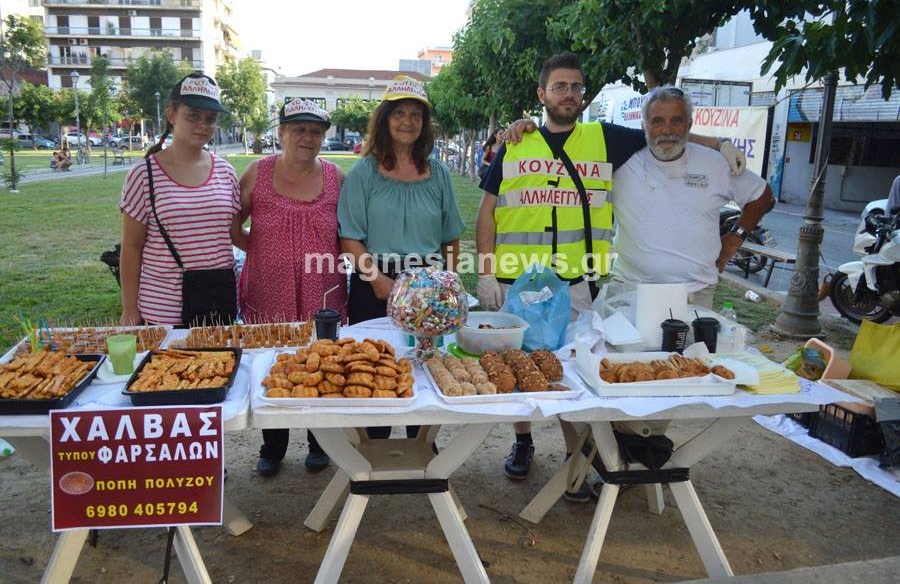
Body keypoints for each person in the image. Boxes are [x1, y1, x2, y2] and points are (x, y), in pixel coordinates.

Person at [475, 53, 747, 494]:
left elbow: (665, 129)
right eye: (559, 86)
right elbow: (487, 212)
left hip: (576, 283)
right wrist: (486, 274)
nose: (569, 94)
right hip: (515, 280)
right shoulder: (516, 142)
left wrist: (719, 146)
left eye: (576, 87)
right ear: (541, 94)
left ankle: (573, 457)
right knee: (514, 365)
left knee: (573, 371)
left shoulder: (604, 139)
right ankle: (522, 441)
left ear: (584, 96)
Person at [338, 75, 465, 439]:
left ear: (424, 124)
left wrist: (450, 285)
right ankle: (372, 451)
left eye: (416, 114)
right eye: (399, 114)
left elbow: (451, 236)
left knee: (426, 373)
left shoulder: (438, 173)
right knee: (373, 369)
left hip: (428, 288)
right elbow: (350, 236)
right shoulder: (364, 173)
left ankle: (421, 448)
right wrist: (381, 284)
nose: (407, 121)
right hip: (375, 283)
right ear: (384, 119)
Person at [235, 98, 346, 477]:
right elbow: (234, 224)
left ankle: (320, 442)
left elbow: (350, 231)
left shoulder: (336, 177)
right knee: (272, 364)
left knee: (323, 361)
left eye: (315, 131)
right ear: (281, 132)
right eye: (298, 129)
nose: (307, 137)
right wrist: (263, 251)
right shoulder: (257, 173)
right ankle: (273, 445)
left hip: (324, 291)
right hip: (269, 290)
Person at [610, 86, 773, 309]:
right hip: (629, 290)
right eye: (657, 121)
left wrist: (736, 236)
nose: (666, 130)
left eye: (676, 121)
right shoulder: (621, 161)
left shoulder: (715, 163)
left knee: (692, 346)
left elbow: (762, 195)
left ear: (689, 124)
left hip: (694, 294)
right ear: (643, 126)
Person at [119, 72, 241, 327]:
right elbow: (131, 248)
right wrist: (130, 309)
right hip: (163, 312)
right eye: (193, 115)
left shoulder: (225, 171)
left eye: (211, 118)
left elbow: (232, 234)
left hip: (217, 306)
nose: (203, 125)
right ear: (171, 114)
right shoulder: (144, 175)